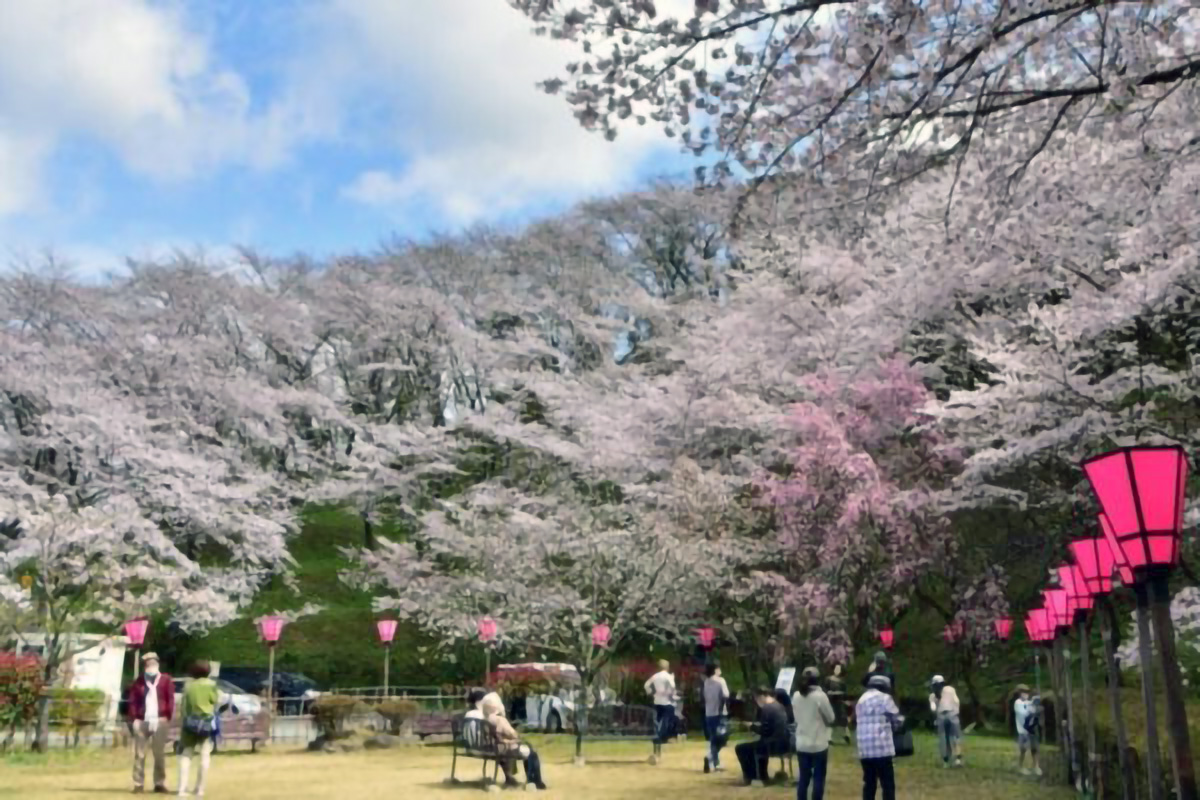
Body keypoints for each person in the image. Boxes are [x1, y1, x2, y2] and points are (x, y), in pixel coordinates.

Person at [125, 652, 175, 794]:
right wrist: (134, 718)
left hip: (160, 720)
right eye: (147, 664)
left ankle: (160, 783)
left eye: (153, 663)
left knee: (159, 754)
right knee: (139, 754)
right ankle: (138, 783)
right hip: (142, 720)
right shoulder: (139, 681)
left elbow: (170, 699)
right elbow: (133, 700)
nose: (150, 666)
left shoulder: (165, 680)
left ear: (157, 664)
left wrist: (167, 716)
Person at [480, 693, 547, 790]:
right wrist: (517, 735)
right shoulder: (500, 720)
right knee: (532, 753)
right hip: (504, 749)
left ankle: (512, 778)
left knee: (527, 748)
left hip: (492, 748)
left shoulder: (484, 719)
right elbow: (513, 733)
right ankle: (533, 781)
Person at [856, 674, 902, 800]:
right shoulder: (885, 699)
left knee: (869, 783)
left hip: (865, 749)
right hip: (882, 749)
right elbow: (897, 719)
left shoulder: (861, 700)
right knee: (887, 784)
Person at [177, 660, 219, 797]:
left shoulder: (188, 686)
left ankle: (182, 788)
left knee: (186, 755)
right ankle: (199, 788)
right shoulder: (211, 685)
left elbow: (183, 706)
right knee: (205, 755)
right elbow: (215, 701)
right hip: (206, 722)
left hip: (190, 722)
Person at [792, 667, 835, 800]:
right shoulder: (820, 696)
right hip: (818, 744)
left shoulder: (796, 695)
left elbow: (795, 718)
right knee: (818, 778)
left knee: (803, 779)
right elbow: (831, 718)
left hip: (801, 743)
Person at [735, 687, 791, 786]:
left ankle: (752, 776)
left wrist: (751, 726)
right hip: (784, 743)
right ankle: (762, 775)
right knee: (757, 745)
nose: (756, 702)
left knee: (741, 748)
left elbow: (765, 731)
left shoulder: (767, 708)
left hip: (772, 744)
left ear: (761, 697)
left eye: (756, 699)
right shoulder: (779, 706)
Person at [929, 675, 964, 768]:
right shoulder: (933, 696)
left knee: (955, 737)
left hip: (951, 714)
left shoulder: (949, 690)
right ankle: (946, 759)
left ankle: (957, 759)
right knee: (944, 739)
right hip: (942, 716)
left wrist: (956, 712)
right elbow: (933, 708)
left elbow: (956, 701)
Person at [702, 662, 730, 773]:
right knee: (722, 738)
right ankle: (710, 757)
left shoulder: (706, 682)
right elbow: (726, 695)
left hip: (709, 713)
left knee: (713, 739)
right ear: (715, 670)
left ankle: (716, 763)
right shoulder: (720, 681)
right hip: (720, 714)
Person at [644, 659, 676, 754]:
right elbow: (673, 687)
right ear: (667, 667)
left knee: (657, 722)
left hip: (657, 701)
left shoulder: (655, 676)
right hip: (667, 702)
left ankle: (657, 740)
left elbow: (646, 685)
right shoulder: (668, 676)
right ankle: (661, 738)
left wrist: (650, 693)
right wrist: (670, 694)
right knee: (666, 722)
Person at [1014, 686, 1043, 776]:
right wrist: (1032, 709)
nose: (1026, 694)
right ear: (1020, 694)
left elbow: (1033, 705)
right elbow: (1024, 712)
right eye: (1024, 693)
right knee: (1023, 749)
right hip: (1022, 730)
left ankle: (1036, 767)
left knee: (1034, 748)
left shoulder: (1028, 702)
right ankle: (1020, 766)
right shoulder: (1018, 703)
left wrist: (1036, 701)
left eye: (1027, 693)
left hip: (1031, 729)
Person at [827, 665, 851, 744]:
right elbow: (825, 690)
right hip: (831, 702)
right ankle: (829, 738)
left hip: (839, 702)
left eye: (838, 669)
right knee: (831, 719)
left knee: (843, 720)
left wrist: (845, 700)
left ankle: (846, 735)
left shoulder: (842, 682)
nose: (837, 670)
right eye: (836, 668)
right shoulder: (829, 679)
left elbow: (845, 693)